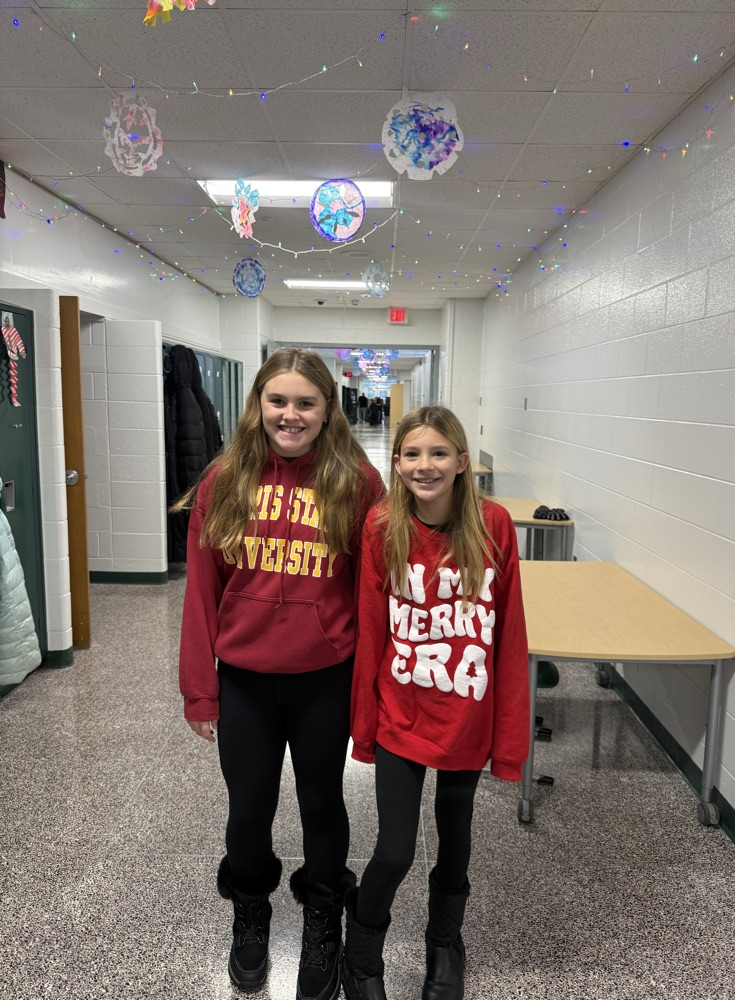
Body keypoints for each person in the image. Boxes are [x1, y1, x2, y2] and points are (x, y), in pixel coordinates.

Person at [176, 347, 383, 999]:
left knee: (323, 804)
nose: (290, 415)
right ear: (258, 404)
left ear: (327, 410)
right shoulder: (225, 479)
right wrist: (199, 692)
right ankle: (250, 909)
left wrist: (371, 693)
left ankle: (324, 916)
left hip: (325, 677)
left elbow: (371, 596)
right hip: (244, 681)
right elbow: (202, 592)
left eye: (305, 403)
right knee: (249, 808)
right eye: (278, 400)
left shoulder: (356, 481)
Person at [342, 405, 530, 1000]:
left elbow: (510, 636)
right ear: (396, 464)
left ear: (462, 461)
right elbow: (370, 631)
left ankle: (445, 943)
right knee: (394, 851)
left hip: (465, 716)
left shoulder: (494, 525)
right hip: (402, 713)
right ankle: (360, 954)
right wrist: (364, 731)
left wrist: (509, 744)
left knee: (455, 841)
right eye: (412, 454)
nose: (426, 465)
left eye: (439, 453)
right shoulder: (382, 525)